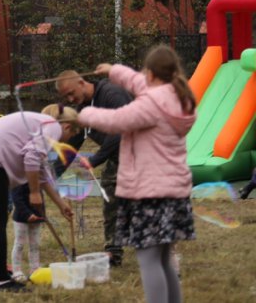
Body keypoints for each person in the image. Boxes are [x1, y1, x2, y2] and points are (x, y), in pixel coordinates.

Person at [77, 46, 197, 303]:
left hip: (151, 193)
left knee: (149, 261)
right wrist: (114, 71)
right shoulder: (173, 95)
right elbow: (139, 83)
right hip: (173, 193)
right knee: (163, 260)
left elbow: (117, 121)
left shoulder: (152, 104)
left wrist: (83, 114)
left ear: (152, 74)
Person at [0, 104, 77, 294]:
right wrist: (34, 193)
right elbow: (31, 157)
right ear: (68, 127)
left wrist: (61, 204)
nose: (68, 140)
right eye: (72, 136)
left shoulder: (37, 123)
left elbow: (41, 171)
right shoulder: (52, 125)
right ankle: (2, 283)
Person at [56, 68, 133, 266]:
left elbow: (120, 129)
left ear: (82, 83)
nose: (71, 99)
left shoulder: (110, 94)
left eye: (71, 93)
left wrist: (95, 159)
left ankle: (160, 245)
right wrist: (52, 173)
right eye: (66, 97)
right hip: (118, 158)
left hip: (141, 154)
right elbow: (72, 142)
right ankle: (113, 251)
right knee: (111, 200)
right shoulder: (82, 109)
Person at [9, 183, 44, 283]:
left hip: (36, 218)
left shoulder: (37, 180)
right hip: (21, 218)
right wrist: (28, 214)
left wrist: (42, 214)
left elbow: (41, 198)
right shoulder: (17, 181)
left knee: (35, 245)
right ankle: (17, 271)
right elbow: (17, 200)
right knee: (19, 244)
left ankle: (35, 270)